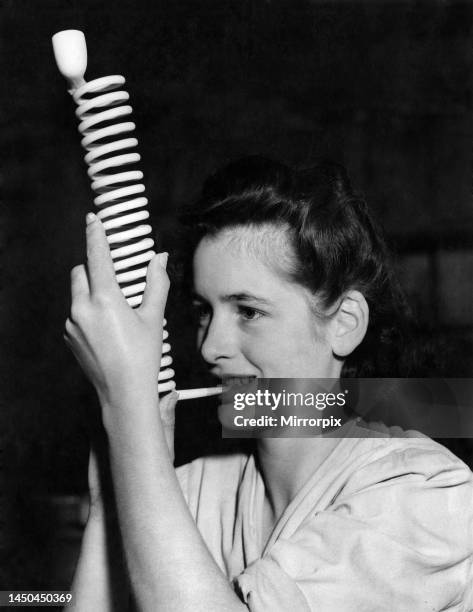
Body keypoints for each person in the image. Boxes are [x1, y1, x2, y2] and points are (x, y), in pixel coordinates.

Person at [64, 157, 473, 611]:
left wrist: (128, 408)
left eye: (249, 311)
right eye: (204, 310)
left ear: (345, 324)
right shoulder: (184, 491)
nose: (210, 348)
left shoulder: (430, 494)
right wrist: (116, 483)